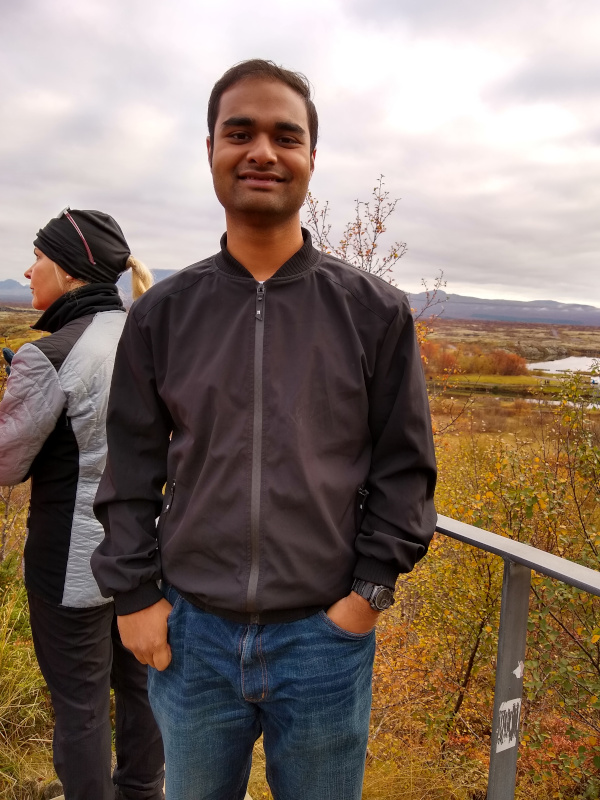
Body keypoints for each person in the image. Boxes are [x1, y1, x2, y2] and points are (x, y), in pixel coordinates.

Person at [92, 59, 437, 800]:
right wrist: (133, 597)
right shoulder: (163, 315)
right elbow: (127, 470)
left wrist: (366, 597)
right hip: (190, 640)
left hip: (324, 642)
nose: (262, 151)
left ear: (312, 157)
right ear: (210, 148)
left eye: (286, 135)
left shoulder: (373, 312)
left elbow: (406, 472)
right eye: (238, 131)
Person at [0, 209, 165, 800]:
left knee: (80, 704)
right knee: (141, 685)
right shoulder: (146, 334)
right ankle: (143, 791)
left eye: (37, 258)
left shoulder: (49, 354)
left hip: (70, 567)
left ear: (69, 274)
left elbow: (6, 465)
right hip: (147, 554)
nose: (26, 270)